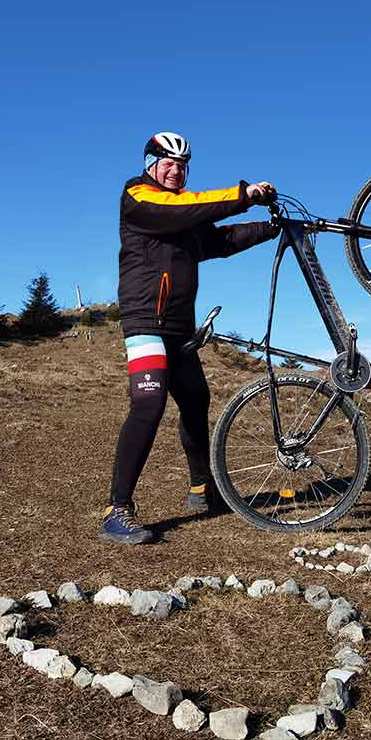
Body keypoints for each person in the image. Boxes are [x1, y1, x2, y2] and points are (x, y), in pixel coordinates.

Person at [102, 131, 278, 544]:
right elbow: (187, 207)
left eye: (182, 165)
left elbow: (219, 239)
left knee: (196, 400)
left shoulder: (181, 215)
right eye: (168, 162)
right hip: (146, 321)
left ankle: (202, 487)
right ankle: (116, 510)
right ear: (150, 165)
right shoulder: (139, 197)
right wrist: (244, 194)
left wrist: (268, 229)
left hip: (179, 326)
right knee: (149, 405)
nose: (176, 170)